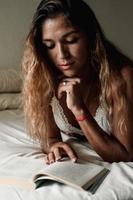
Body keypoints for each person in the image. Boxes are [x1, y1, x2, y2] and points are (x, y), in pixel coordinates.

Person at [22, 0, 133, 164]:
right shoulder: (45, 77)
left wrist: (79, 109)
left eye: (71, 40)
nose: (62, 54)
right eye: (50, 45)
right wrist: (53, 145)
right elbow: (50, 137)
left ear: (90, 37)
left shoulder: (122, 77)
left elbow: (124, 155)